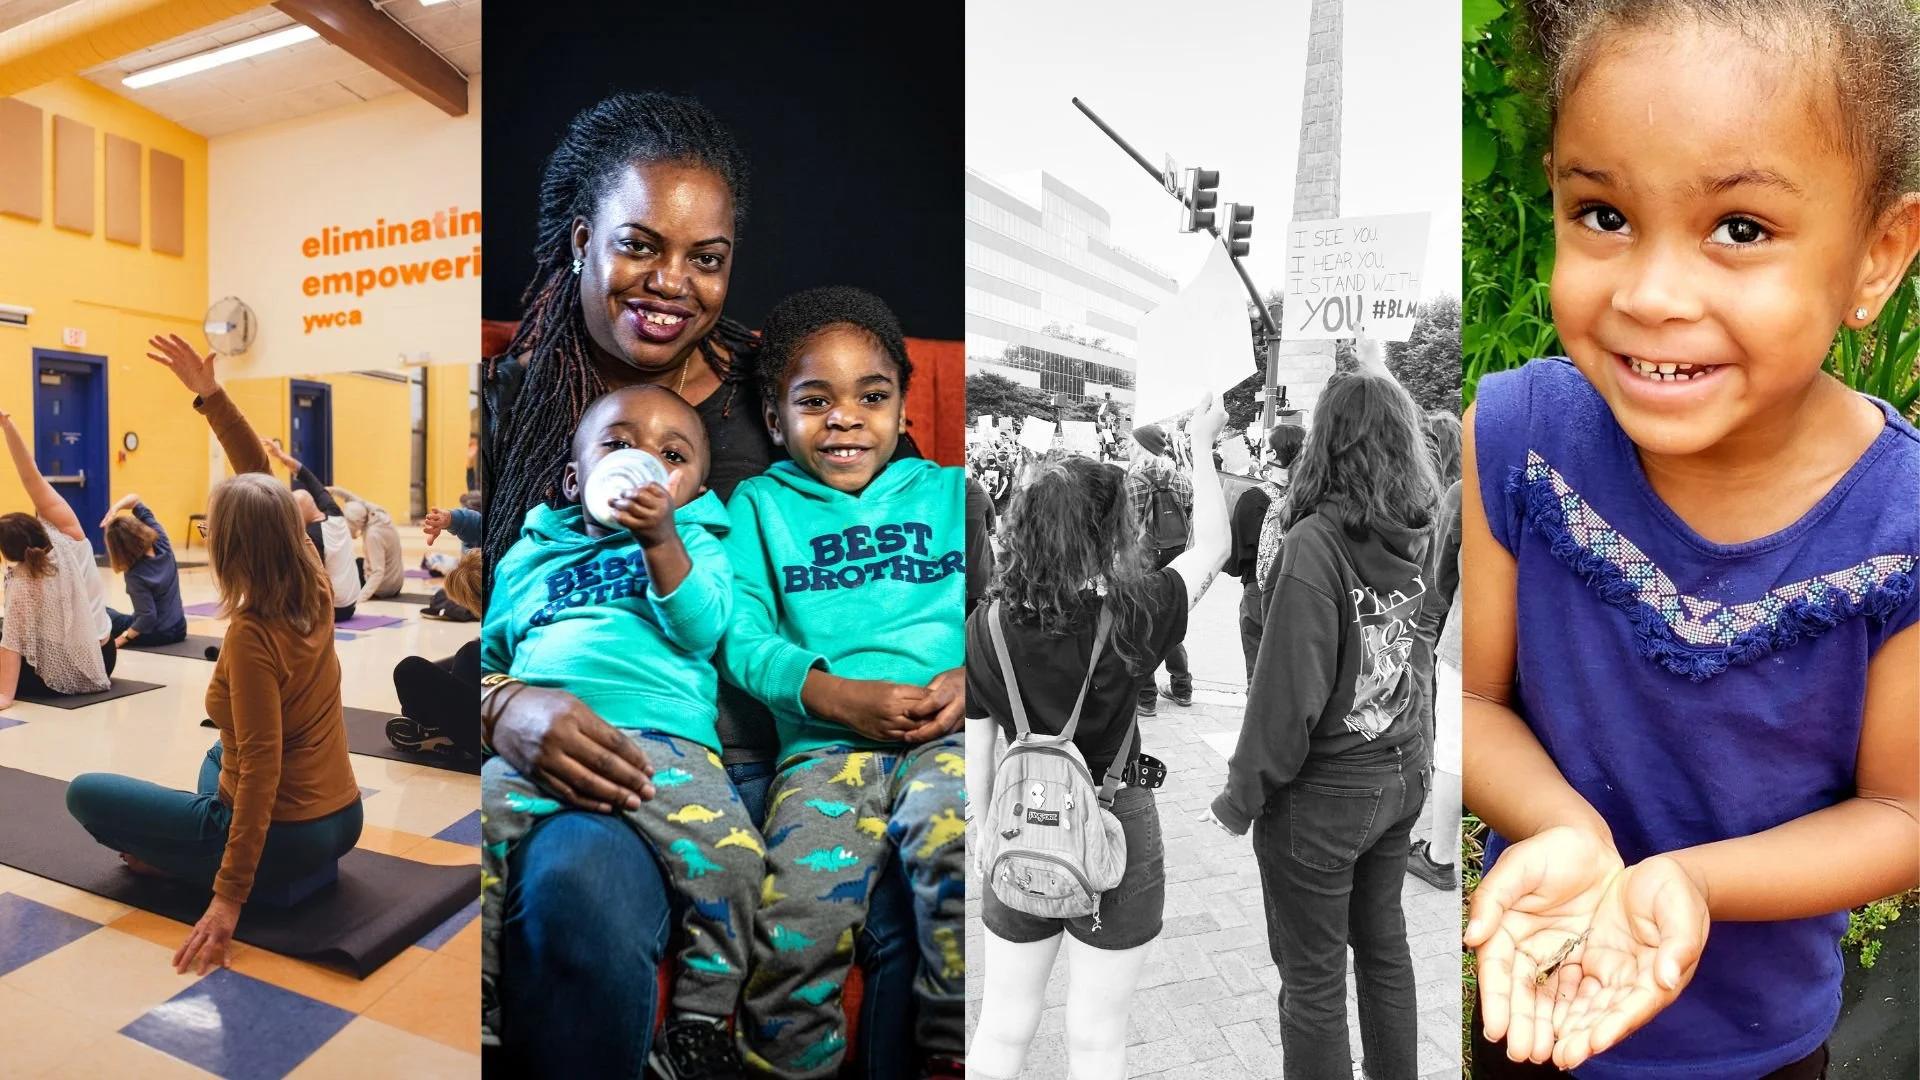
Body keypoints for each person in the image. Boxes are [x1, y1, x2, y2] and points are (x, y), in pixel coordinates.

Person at [1463, 2, 1920, 1076]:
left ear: (1877, 256)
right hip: (1536, 1009)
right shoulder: (1520, 437)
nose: (1651, 294)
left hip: (1763, 1051)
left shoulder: (1901, 521)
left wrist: (1694, 882)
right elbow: (1475, 704)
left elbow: (1901, 810)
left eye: (1741, 229)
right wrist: (1569, 831)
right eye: (1603, 214)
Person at [479, 91, 929, 1079]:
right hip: (610, 744)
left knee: (923, 903)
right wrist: (502, 704)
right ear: (584, 239)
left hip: (803, 747)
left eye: (707, 258)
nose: (672, 283)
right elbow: (478, 613)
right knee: (577, 894)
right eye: (641, 246)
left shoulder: (786, 390)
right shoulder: (515, 397)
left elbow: (909, 538)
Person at [719, 287, 966, 1079]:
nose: (845, 418)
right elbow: (742, 636)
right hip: (823, 751)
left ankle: (950, 1048)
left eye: (872, 396)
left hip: (949, 736)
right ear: (773, 415)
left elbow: (1007, 613)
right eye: (815, 400)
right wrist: (830, 694)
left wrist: (975, 679)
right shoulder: (756, 505)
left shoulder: (954, 494)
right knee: (795, 921)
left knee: (957, 851)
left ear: (900, 404)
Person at [483, 384, 759, 1079]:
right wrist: (499, 703)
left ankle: (699, 1020)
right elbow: (490, 656)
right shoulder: (530, 555)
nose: (643, 462)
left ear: (692, 490)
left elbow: (702, 629)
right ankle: (479, 1002)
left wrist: (662, 539)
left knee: (737, 861)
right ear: (576, 478)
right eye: (618, 444)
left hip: (667, 744)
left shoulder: (696, 539)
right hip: (537, 739)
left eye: (672, 455)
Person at [66, 333, 362, 976]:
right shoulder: (309, 577)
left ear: (229, 551)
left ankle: (186, 859)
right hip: (344, 815)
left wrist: (225, 901)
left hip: (289, 834)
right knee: (214, 756)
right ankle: (188, 846)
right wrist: (212, 396)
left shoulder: (252, 636)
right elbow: (260, 476)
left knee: (86, 794)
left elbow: (260, 776)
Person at [966, 394, 1230, 1080]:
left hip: (1016, 825)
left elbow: (977, 737)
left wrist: (979, 824)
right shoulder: (1136, 612)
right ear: (1107, 530)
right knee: (1096, 1038)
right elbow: (1215, 548)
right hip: (1114, 831)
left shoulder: (986, 627)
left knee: (1000, 1026)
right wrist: (1202, 443)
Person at [1206, 363, 1441, 1080]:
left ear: (1327, 443)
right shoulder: (1418, 529)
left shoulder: (1318, 544)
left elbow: (1286, 698)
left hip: (1328, 791)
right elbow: (1419, 646)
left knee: (1312, 981)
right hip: (1398, 774)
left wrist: (1238, 797)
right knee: (1383, 951)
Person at [0, 407, 113, 704]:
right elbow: (30, 474)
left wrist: (3, 695)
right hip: (106, 654)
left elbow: (11, 644)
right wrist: (7, 426)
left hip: (73, 673)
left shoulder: (23, 581)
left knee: (4, 633)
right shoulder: (69, 533)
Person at [1407, 412, 1463, 892]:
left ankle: (1441, 854)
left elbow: (1441, 569)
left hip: (1444, 618)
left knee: (1451, 744)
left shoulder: (1455, 495)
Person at [386, 550, 483, 757]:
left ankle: (440, 730)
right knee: (462, 657)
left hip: (491, 736)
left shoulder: (478, 649)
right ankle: (440, 729)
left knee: (409, 670)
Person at [1125, 423, 1193, 716]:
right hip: (1176, 561)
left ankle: (1146, 697)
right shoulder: (1182, 480)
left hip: (1142, 562)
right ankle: (1182, 686)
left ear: (1141, 448)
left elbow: (1124, 530)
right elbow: (1190, 520)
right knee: (1172, 621)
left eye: (1130, 445)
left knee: (1142, 625)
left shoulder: (1133, 482)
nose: (1127, 449)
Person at [1230, 423, 1306, 682]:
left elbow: (1237, 559)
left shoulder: (1253, 498)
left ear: (1273, 456)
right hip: (1302, 592)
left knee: (1258, 670)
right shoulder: (1312, 498)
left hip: (1259, 591)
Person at [267, 443, 358, 622]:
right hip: (351, 604)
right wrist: (282, 457)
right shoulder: (335, 513)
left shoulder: (312, 537)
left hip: (333, 610)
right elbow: (310, 479)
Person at [100, 493, 189, 650]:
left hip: (156, 634)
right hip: (179, 627)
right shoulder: (162, 542)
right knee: (115, 615)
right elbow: (134, 499)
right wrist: (114, 509)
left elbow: (147, 617)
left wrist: (120, 640)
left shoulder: (135, 574)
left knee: (104, 614)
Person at [328, 485, 405, 603]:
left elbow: (378, 572)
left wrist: (361, 598)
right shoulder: (376, 512)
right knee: (358, 562)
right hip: (396, 584)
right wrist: (332, 491)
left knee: (346, 566)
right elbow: (351, 497)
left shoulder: (372, 535)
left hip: (383, 589)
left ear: (356, 523)